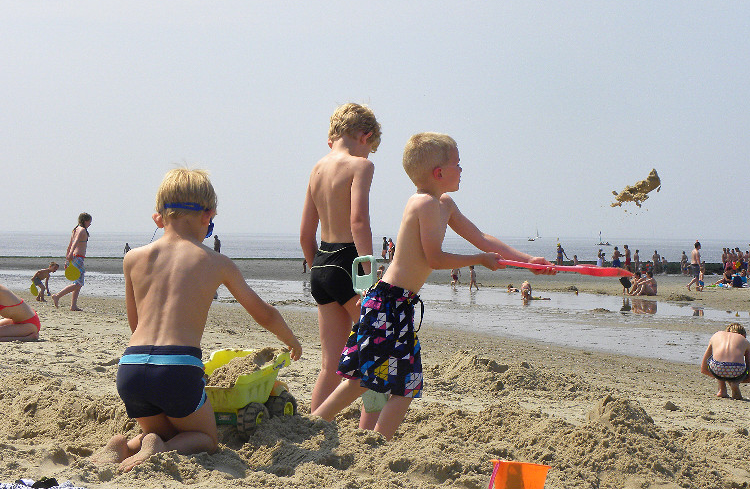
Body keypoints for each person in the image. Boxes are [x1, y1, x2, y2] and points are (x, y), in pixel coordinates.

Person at [312, 132, 554, 439]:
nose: (462, 169)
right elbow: (435, 258)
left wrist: (530, 260)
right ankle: (312, 425)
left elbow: (482, 238)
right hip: (387, 303)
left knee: (406, 385)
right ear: (438, 173)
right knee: (360, 380)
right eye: (458, 163)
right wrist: (478, 260)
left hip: (401, 306)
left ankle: (377, 444)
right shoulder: (423, 204)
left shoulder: (445, 204)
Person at [93, 168, 301, 472]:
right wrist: (290, 340)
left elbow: (135, 324)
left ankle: (126, 444)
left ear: (159, 217)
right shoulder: (216, 262)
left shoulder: (133, 259)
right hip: (177, 367)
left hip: (132, 368)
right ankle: (156, 448)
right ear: (208, 215)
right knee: (205, 437)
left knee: (164, 429)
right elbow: (263, 312)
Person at [299, 103, 381, 424]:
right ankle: (368, 433)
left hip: (321, 264)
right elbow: (358, 221)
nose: (369, 155)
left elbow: (306, 234)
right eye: (370, 149)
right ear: (366, 136)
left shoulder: (317, 169)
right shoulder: (360, 167)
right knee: (377, 352)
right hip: (349, 263)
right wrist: (368, 276)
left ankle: (313, 425)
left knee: (330, 364)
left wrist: (319, 270)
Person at [700, 323, 750, 399]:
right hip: (737, 371)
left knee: (716, 359)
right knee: (738, 365)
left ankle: (722, 390)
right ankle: (734, 383)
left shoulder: (716, 335)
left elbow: (703, 369)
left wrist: (722, 378)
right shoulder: (745, 342)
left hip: (717, 369)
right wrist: (734, 380)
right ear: (744, 335)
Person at [52, 212, 92, 311]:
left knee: (77, 282)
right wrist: (69, 255)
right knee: (78, 283)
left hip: (74, 257)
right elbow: (74, 242)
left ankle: (73, 305)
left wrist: (68, 256)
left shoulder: (75, 229)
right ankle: (57, 296)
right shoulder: (81, 230)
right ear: (85, 221)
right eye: (89, 222)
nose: (90, 224)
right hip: (77, 257)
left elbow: (70, 244)